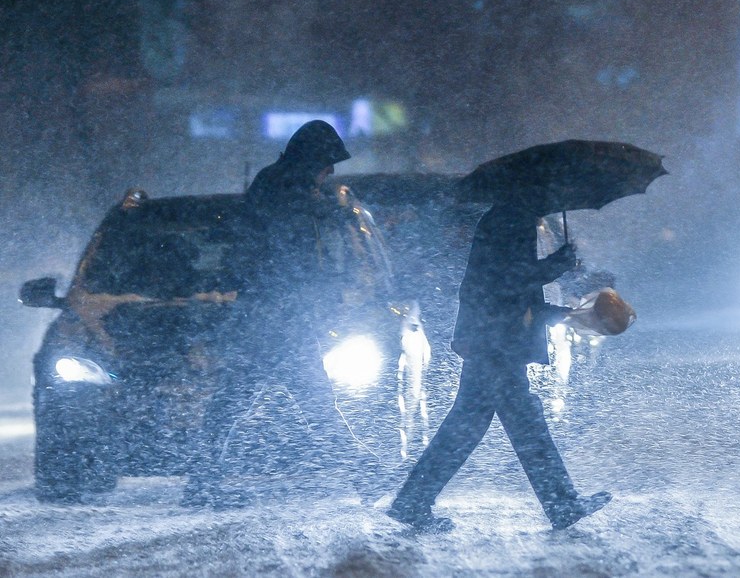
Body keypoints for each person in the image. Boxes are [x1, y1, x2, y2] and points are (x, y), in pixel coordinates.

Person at [182, 120, 386, 508]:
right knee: (306, 400)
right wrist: (332, 211)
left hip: (272, 316)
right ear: (311, 160)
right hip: (275, 317)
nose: (330, 172)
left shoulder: (283, 185)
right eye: (327, 163)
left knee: (238, 399)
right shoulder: (283, 187)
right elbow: (287, 239)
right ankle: (365, 474)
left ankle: (202, 479)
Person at [387, 202, 611, 533]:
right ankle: (561, 504)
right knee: (523, 424)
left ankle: (413, 501)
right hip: (496, 342)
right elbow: (506, 280)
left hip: (492, 339)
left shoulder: (512, 217)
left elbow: (514, 292)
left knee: (468, 426)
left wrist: (561, 312)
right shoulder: (510, 218)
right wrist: (554, 266)